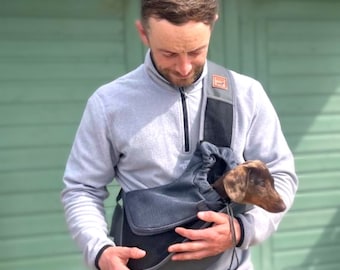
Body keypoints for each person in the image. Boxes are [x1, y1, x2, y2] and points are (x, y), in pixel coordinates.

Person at [61, 0, 298, 270]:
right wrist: (100, 251)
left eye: (196, 51)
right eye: (169, 53)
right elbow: (81, 189)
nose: (184, 68)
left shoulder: (246, 95)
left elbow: (281, 175)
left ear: (212, 25)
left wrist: (242, 230)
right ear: (143, 33)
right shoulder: (109, 104)